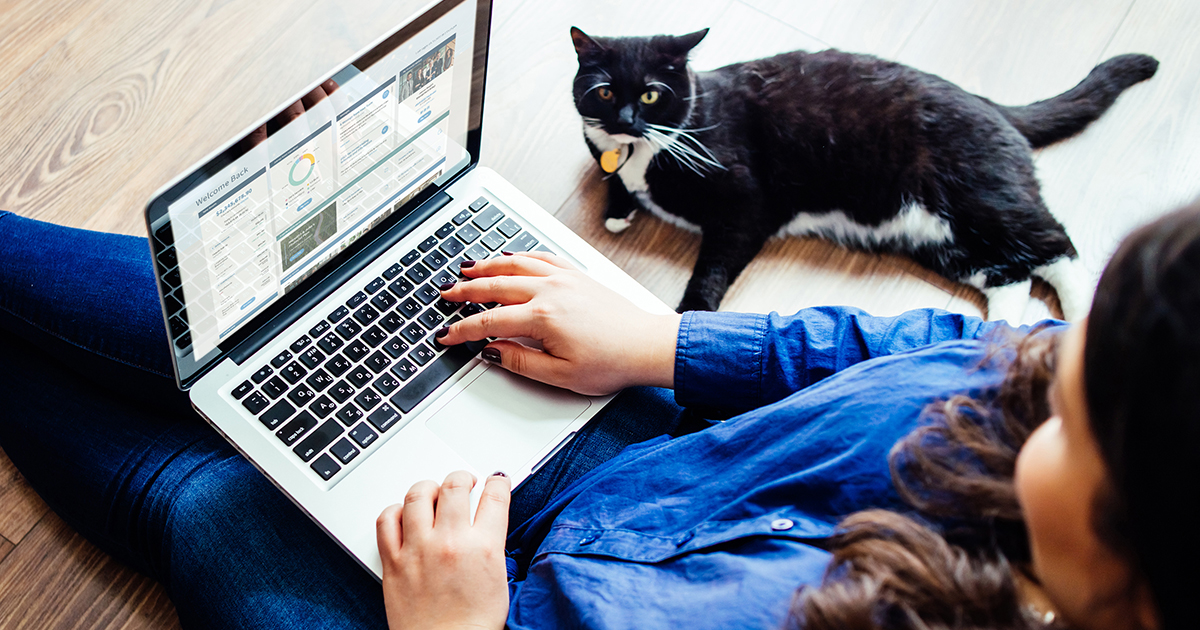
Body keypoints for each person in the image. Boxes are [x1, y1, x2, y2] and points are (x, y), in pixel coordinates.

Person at [0, 198, 1194, 630]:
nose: (1035, 383)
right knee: (341, 319)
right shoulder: (1049, 376)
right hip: (654, 478)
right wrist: (662, 339)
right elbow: (926, 346)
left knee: (221, 507)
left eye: (1067, 420)